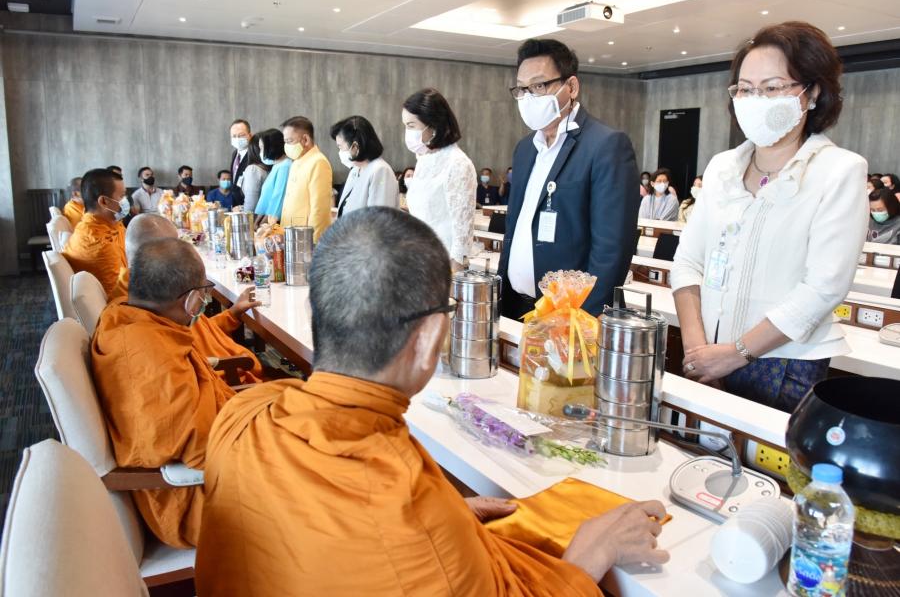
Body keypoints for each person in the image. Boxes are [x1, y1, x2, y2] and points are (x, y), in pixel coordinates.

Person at [195, 207, 669, 596]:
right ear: (430, 338)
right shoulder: (410, 516)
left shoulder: (243, 414)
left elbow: (315, 534)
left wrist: (451, 515)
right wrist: (589, 557)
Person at [671, 21, 869, 412]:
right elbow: (688, 262)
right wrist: (698, 351)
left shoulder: (839, 171)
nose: (755, 99)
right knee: (699, 445)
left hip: (784, 361)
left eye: (772, 87)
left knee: (762, 449)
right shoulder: (722, 167)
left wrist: (736, 354)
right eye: (745, 89)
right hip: (706, 352)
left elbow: (823, 288)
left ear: (812, 92)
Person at [91, 238, 235, 548]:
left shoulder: (126, 316)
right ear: (192, 299)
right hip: (197, 500)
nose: (204, 300)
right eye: (204, 292)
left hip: (218, 450)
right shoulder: (148, 356)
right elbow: (202, 450)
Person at [499, 39, 640, 318]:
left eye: (539, 86)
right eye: (522, 89)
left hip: (571, 315)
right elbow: (514, 227)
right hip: (517, 306)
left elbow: (612, 248)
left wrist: (582, 318)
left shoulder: (605, 145)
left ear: (571, 87)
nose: (528, 98)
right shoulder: (525, 149)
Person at [120, 214, 265, 383]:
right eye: (175, 246)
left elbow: (197, 333)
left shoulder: (153, 292)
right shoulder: (149, 304)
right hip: (233, 379)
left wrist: (232, 313)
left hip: (233, 367)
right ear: (154, 255)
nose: (182, 251)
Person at [402, 88, 477, 271]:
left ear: (433, 125)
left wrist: (452, 278)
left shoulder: (457, 163)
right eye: (405, 126)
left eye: (411, 126)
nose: (407, 132)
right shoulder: (424, 160)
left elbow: (462, 237)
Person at [62, 168, 128, 296]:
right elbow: (118, 295)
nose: (126, 201)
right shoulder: (100, 243)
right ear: (104, 201)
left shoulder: (104, 225)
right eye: (122, 196)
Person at [330, 115, 399, 217]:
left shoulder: (381, 170)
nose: (340, 152)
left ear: (355, 146)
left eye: (340, 147)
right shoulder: (355, 169)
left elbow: (379, 218)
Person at [279, 116, 333, 241]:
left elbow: (319, 209)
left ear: (305, 139)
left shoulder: (319, 162)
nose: (286, 146)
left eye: (290, 141)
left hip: (305, 238)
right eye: (285, 141)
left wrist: (313, 242)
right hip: (291, 234)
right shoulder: (297, 161)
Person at [254, 129, 291, 223]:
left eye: (262, 148)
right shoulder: (277, 165)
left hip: (273, 222)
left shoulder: (285, 166)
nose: (260, 152)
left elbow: (278, 198)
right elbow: (267, 198)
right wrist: (257, 221)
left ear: (272, 147)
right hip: (265, 219)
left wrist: (264, 224)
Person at [237, 132, 269, 214]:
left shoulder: (253, 169)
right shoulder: (267, 168)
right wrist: (241, 208)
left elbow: (251, 205)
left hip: (257, 218)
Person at [228, 119, 252, 206]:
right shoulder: (235, 153)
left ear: (250, 135)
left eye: (241, 135)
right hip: (236, 204)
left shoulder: (254, 155)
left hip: (249, 204)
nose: (237, 139)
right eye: (234, 136)